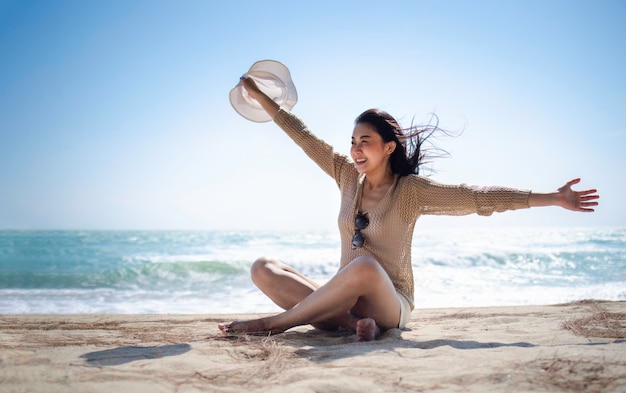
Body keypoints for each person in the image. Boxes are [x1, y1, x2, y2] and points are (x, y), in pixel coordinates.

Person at [219, 76, 600, 341]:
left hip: (392, 303)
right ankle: (353, 325)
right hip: (345, 299)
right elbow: (301, 134)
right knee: (263, 268)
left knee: (364, 266)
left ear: (388, 147)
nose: (355, 149)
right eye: (352, 141)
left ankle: (275, 324)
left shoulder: (411, 191)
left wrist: (551, 197)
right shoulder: (345, 176)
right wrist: (258, 94)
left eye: (364, 141)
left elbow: (477, 197)